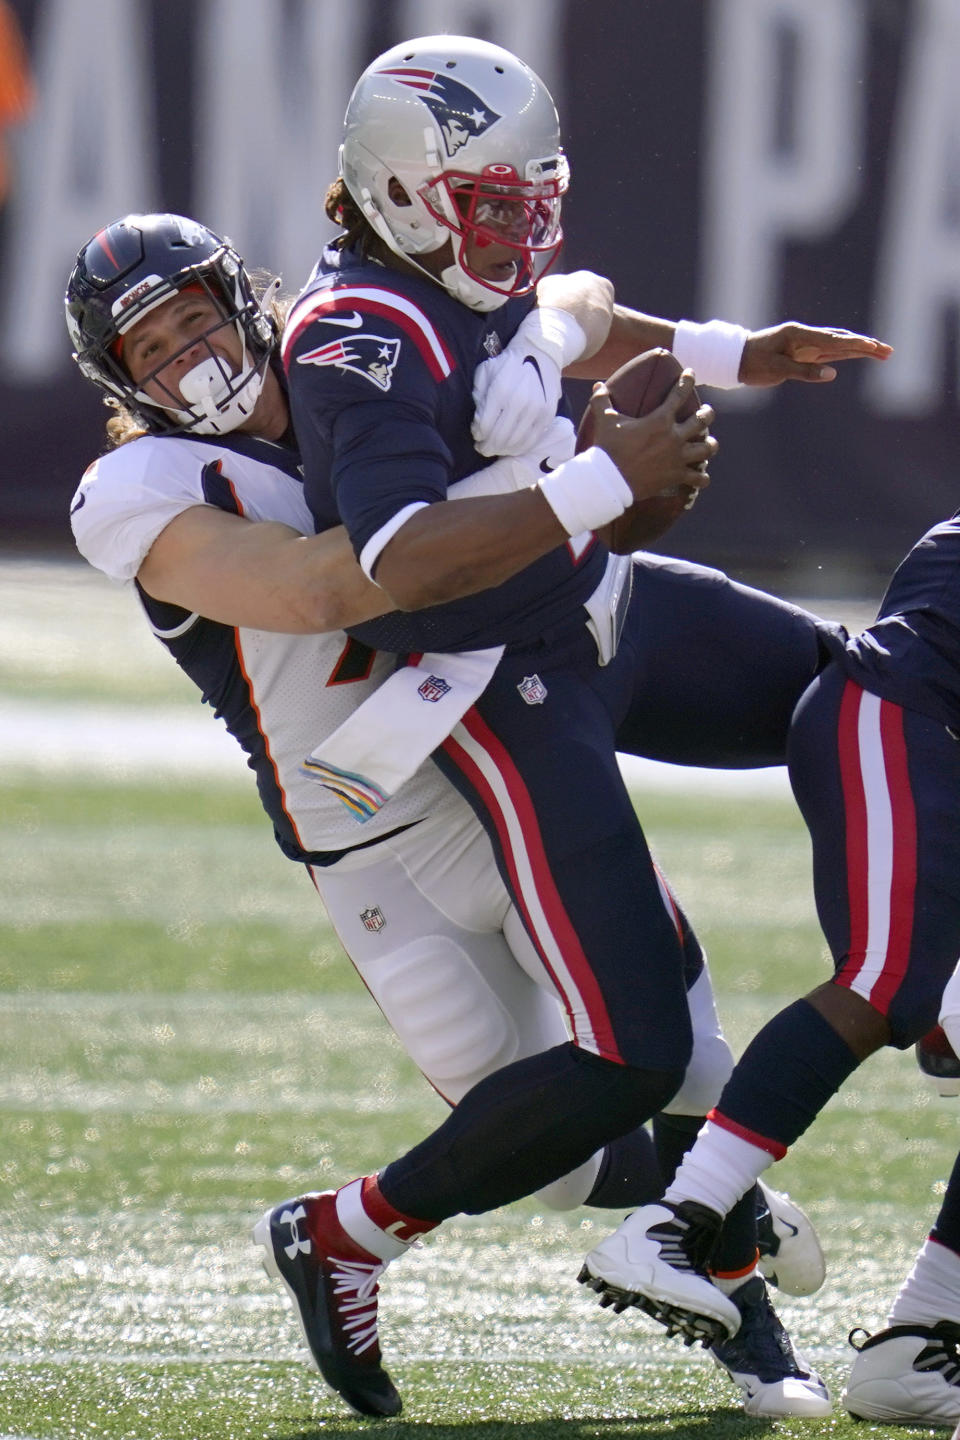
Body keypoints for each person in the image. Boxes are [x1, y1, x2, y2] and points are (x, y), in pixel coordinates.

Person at [65, 209, 824, 1421]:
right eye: (152, 350)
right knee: (555, 1145)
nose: (187, 361)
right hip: (366, 823)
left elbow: (557, 308)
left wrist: (713, 351)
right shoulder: (142, 489)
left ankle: (726, 1279)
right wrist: (564, 491)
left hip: (493, 730)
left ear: (243, 298)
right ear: (122, 381)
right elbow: (317, 588)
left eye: (197, 320)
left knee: (671, 1051)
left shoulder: (340, 362)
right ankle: (701, 1208)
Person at [267, 31, 891, 1422]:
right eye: (491, 204)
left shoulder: (461, 266)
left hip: (600, 606)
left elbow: (567, 316)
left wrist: (733, 351)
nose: (518, 227)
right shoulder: (359, 334)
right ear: (402, 191)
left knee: (860, 699)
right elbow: (403, 558)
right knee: (641, 1046)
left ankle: (909, 954)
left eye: (529, 198)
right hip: (491, 677)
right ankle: (350, 1232)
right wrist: (601, 481)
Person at [579, 507, 960, 1409]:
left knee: (900, 985)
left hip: (925, 739)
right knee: (883, 981)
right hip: (904, 719)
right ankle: (678, 1220)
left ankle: (920, 1341)